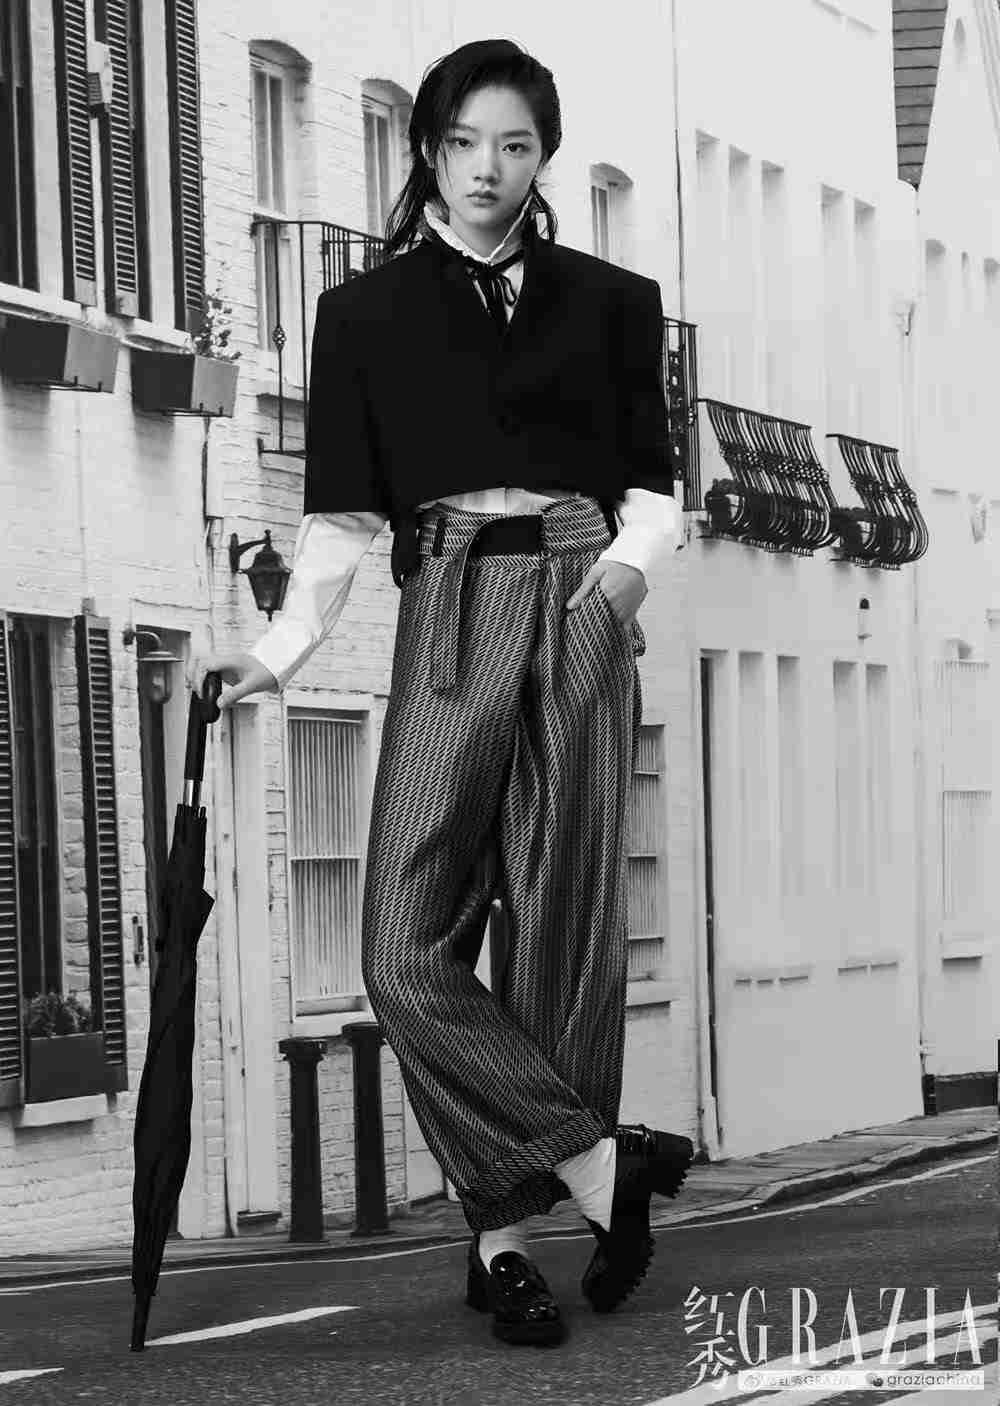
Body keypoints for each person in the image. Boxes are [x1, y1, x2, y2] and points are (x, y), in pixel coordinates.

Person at [190, 38, 692, 1348]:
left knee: (560, 935)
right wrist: (275, 655)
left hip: (579, 590)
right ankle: (603, 1170)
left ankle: (505, 1248)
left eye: (515, 145)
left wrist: (623, 582)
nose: (487, 168)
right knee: (403, 942)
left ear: (542, 158)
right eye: (465, 142)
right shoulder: (364, 315)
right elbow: (342, 523)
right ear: (428, 150)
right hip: (451, 599)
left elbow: (656, 492)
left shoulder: (613, 303)